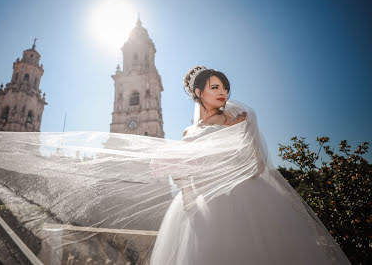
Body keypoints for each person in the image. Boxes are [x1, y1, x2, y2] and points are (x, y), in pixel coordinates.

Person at [149, 65, 350, 265]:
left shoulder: (234, 120)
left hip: (237, 198)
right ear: (198, 92)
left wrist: (226, 164)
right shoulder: (188, 133)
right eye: (215, 87)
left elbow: (257, 164)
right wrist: (185, 188)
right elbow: (184, 173)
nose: (223, 92)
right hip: (201, 203)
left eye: (225, 88)